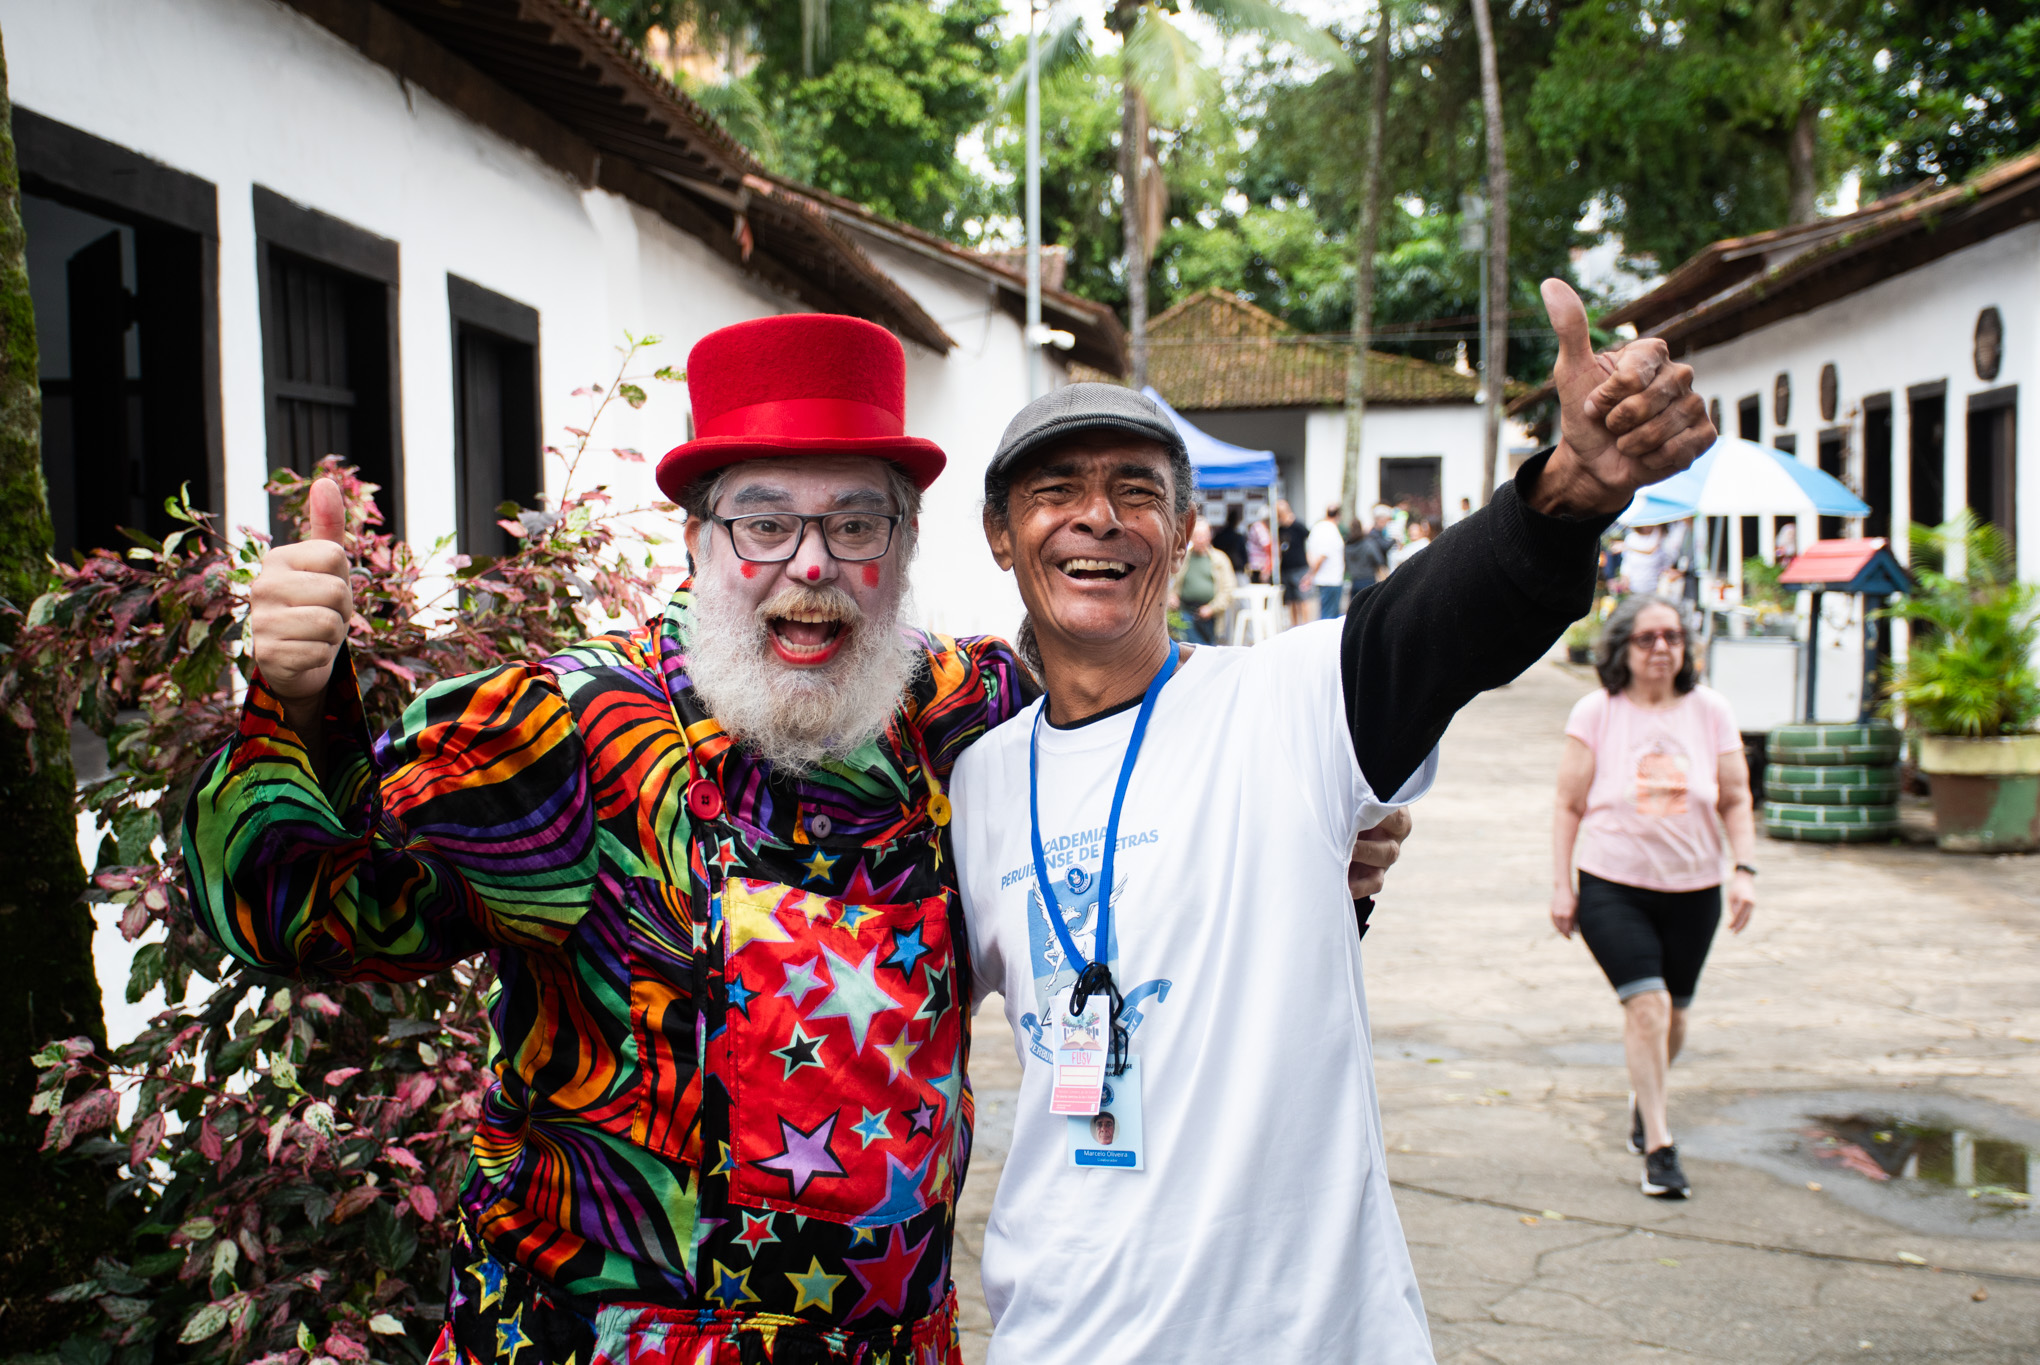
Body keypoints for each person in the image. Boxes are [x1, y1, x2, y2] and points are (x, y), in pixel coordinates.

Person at [181, 314, 1408, 1365]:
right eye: (762, 522)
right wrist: (291, 695)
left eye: (856, 525)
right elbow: (289, 910)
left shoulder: (962, 713)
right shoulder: (562, 732)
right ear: (696, 539)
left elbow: (1132, 774)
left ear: (903, 547)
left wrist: (1302, 831)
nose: (809, 568)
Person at [956, 277, 1714, 1362]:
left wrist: (1565, 493)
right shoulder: (976, 783)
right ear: (999, 534)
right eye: (1055, 491)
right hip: (1062, 1333)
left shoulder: (1292, 702)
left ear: (1183, 532)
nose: (1098, 518)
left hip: (1310, 1334)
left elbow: (1442, 619)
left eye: (1135, 491)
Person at [1550, 595, 1757, 1202]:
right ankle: (1660, 1147)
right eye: (1647, 638)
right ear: (1622, 649)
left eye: (1673, 636)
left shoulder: (1711, 710)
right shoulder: (1597, 712)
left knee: (1676, 1014)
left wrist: (1744, 870)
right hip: (1612, 885)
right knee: (1649, 1006)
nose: (1662, 648)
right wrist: (1562, 884)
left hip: (1695, 889)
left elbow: (1736, 797)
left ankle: (1647, 1100)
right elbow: (1567, 803)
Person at [1170, 518, 1236, 645]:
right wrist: (1172, 596)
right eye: (1196, 536)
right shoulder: (1183, 558)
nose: (1200, 539)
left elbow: (1228, 589)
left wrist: (1212, 608)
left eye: (1203, 536)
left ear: (1209, 536)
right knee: (1188, 647)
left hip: (1209, 616)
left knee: (1207, 649)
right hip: (1185, 611)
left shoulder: (1219, 559)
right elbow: (1170, 581)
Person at [1307, 502, 1348, 620]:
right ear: (1339, 515)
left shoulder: (1317, 527)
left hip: (1323, 577)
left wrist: (1311, 571)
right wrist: (1312, 573)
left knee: (1326, 613)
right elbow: (1323, 555)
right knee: (1329, 617)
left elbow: (1309, 551)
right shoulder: (1330, 530)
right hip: (1331, 578)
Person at [1275, 498, 1312, 626]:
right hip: (1286, 569)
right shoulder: (1279, 529)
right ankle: (1294, 625)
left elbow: (1309, 538)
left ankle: (1306, 626)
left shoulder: (1297, 526)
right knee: (1291, 601)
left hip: (1299, 568)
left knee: (1303, 599)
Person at [1212, 506, 1249, 573]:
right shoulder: (1238, 537)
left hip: (1224, 569)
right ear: (1236, 521)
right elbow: (1244, 557)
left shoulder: (1219, 536)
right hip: (1231, 569)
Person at [1244, 510, 1273, 584]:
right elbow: (1267, 546)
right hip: (1259, 567)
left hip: (1262, 566)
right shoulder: (1259, 527)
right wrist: (1267, 568)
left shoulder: (1261, 527)